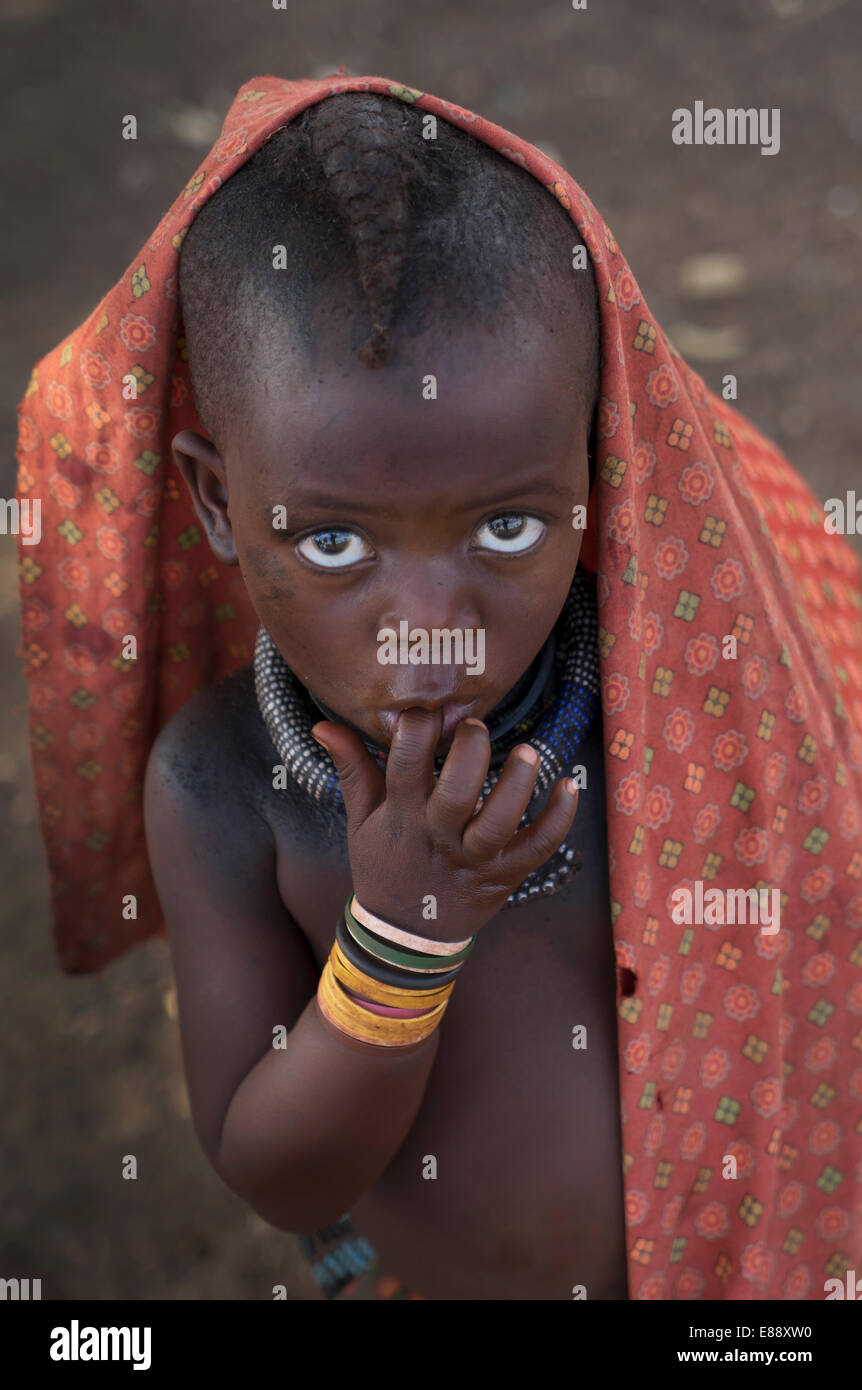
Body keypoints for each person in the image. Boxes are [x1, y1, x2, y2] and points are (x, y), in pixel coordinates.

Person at [15, 70, 862, 1302]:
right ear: (213, 500)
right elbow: (280, 1177)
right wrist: (405, 935)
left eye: (508, 530)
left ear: (597, 468)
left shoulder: (692, 703)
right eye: (336, 544)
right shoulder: (224, 790)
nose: (431, 638)